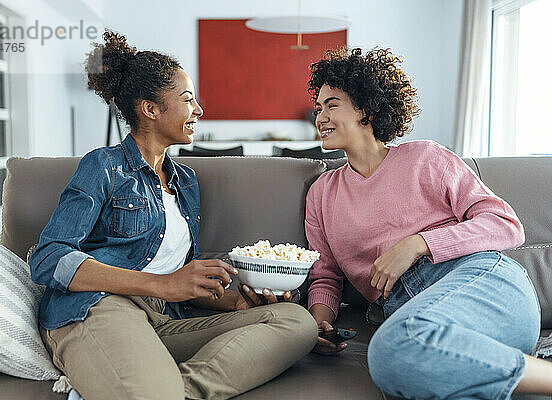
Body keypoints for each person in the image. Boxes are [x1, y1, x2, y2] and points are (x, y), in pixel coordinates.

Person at [29, 30, 317, 400]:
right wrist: (163, 285)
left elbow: (179, 282)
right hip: (99, 307)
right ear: (150, 109)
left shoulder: (185, 182)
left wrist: (235, 302)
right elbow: (49, 259)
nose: (198, 110)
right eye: (187, 99)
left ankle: (160, 388)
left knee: (296, 322)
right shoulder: (104, 166)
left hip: (163, 320)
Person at [304, 47, 552, 399]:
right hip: (418, 318)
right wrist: (318, 323)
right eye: (318, 109)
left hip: (483, 283)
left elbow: (505, 225)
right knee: (408, 365)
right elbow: (325, 274)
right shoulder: (322, 193)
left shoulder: (426, 158)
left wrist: (417, 244)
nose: (320, 117)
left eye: (331, 105)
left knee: (392, 348)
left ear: (366, 110)